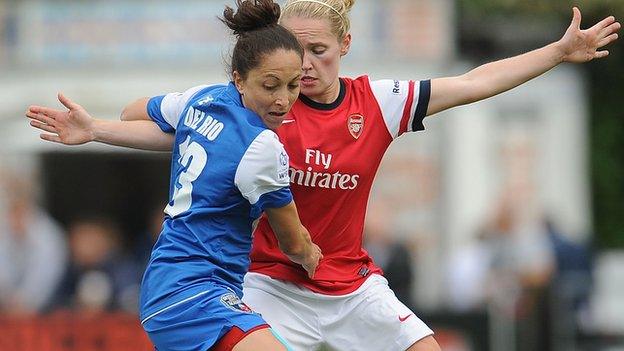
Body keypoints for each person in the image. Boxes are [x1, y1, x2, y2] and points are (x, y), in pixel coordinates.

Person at [31, 1, 620, 350]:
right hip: (266, 283)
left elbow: (475, 83)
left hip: (351, 285)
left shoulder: (380, 101)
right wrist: (101, 125)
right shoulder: (256, 106)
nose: (304, 65)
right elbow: (171, 125)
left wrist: (556, 52)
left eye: (318, 50)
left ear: (345, 43)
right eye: (295, 50)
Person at [26, 0, 322, 350]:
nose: (283, 100)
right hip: (197, 292)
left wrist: (95, 129)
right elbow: (292, 242)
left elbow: (132, 111)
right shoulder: (262, 146)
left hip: (167, 285)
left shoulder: (202, 99)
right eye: (270, 85)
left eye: (292, 85)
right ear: (239, 79)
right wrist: (313, 257)